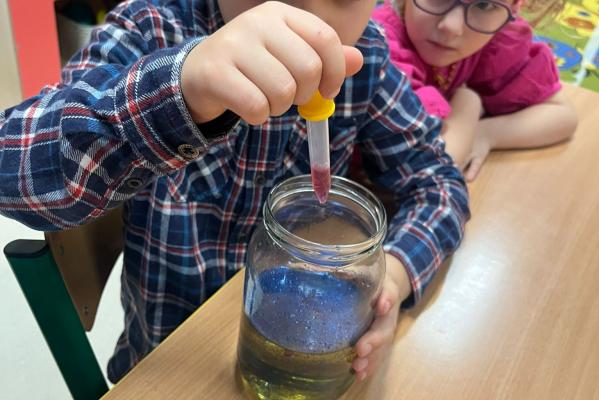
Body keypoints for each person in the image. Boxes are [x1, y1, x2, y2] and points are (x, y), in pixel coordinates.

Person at [0, 0, 469, 383]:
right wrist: (183, 90)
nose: (302, 22)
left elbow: (438, 181)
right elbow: (12, 164)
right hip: (168, 366)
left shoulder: (364, 59)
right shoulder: (152, 27)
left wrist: (393, 278)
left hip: (307, 353)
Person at [371, 0, 578, 180]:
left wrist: (485, 134)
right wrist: (468, 102)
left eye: (484, 5)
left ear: (514, 8)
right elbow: (428, 168)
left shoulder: (495, 37)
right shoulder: (377, 46)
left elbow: (562, 115)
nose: (452, 27)